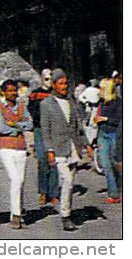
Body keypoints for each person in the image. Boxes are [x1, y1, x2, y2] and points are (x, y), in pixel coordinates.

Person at [41, 69, 92, 231]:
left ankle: (66, 209)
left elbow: (78, 125)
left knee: (69, 181)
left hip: (73, 148)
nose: (64, 86)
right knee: (68, 181)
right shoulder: (46, 104)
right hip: (58, 148)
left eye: (66, 83)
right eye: (61, 84)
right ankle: (65, 216)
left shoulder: (71, 101)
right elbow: (45, 129)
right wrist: (49, 149)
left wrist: (87, 144)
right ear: (54, 85)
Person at [0, 79, 33, 229]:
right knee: (15, 179)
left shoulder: (22, 106)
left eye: (14, 90)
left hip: (21, 147)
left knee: (21, 181)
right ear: (3, 92)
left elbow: (30, 124)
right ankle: (16, 215)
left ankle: (18, 211)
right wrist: (20, 125)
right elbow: (1, 128)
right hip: (6, 147)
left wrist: (15, 125)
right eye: (9, 90)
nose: (13, 93)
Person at [28, 69, 60, 207]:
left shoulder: (57, 94)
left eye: (51, 79)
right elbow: (31, 110)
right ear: (42, 79)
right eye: (46, 79)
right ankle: (43, 192)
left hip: (55, 130)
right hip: (40, 130)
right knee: (42, 160)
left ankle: (53, 193)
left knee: (54, 162)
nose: (49, 82)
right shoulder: (35, 94)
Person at [95, 77, 123, 204]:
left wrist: (105, 119)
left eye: (102, 88)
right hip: (102, 133)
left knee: (114, 164)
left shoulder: (118, 102)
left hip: (113, 134)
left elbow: (119, 121)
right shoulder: (101, 102)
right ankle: (114, 193)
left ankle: (120, 188)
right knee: (105, 165)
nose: (99, 90)